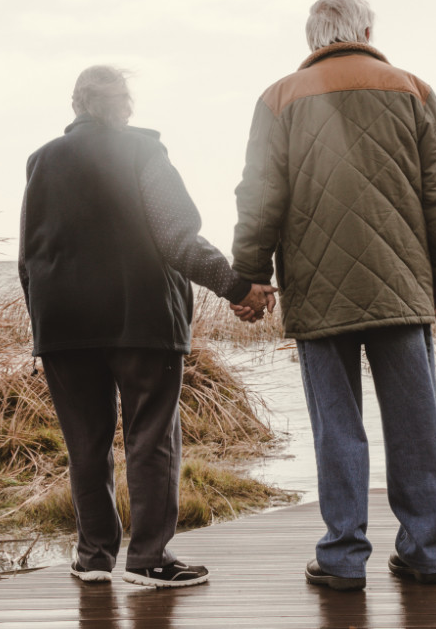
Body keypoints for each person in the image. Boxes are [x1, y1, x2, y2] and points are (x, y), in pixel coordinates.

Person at [232, 0, 436, 591]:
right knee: (416, 425)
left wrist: (252, 274)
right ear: (364, 29)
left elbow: (259, 196)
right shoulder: (413, 89)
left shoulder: (279, 97)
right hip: (400, 285)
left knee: (337, 428)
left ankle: (342, 558)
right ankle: (426, 553)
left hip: (317, 289)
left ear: (313, 38)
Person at [19, 65, 275, 589]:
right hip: (142, 321)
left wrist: (46, 321)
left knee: (85, 443)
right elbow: (177, 239)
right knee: (151, 439)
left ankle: (93, 556)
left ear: (76, 106)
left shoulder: (41, 160)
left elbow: (29, 256)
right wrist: (236, 287)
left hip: (64, 327)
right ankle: (150, 558)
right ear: (125, 107)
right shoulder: (143, 153)